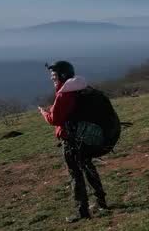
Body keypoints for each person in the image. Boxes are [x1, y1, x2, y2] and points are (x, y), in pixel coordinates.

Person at [39, 60, 109, 222]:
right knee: (88, 168)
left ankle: (82, 211)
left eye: (54, 75)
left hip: (71, 141)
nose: (52, 78)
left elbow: (54, 119)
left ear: (63, 75)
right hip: (84, 138)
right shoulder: (80, 88)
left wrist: (44, 113)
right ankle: (101, 202)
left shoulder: (65, 94)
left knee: (75, 175)